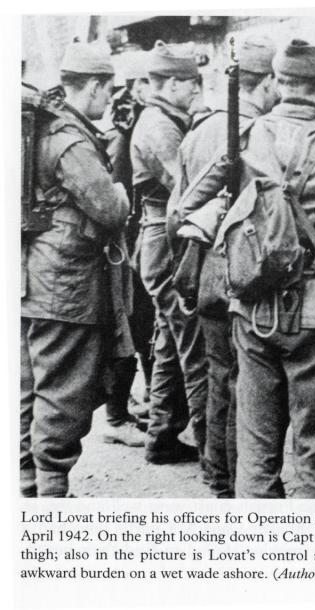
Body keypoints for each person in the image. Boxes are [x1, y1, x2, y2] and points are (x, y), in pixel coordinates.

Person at [179, 39, 315, 498]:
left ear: (280, 83)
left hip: (252, 311)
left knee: (256, 450)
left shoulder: (248, 137)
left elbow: (187, 207)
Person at [21, 42, 130, 497]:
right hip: (66, 283)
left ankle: (27, 481)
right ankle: (51, 492)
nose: (111, 100)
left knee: (28, 384)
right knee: (63, 390)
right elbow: (109, 209)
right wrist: (121, 192)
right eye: (108, 90)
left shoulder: (46, 129)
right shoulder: (69, 139)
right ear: (94, 86)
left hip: (32, 277)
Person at [172, 35, 278, 497]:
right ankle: (236, 482)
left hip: (201, 269)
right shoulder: (252, 132)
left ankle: (216, 474)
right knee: (244, 384)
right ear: (268, 82)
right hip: (235, 269)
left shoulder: (197, 130)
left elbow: (179, 202)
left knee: (219, 375)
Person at [130, 40, 207, 465]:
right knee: (193, 343)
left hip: (162, 234)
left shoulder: (165, 118)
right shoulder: (159, 125)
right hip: (168, 236)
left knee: (168, 341)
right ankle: (214, 449)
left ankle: (161, 436)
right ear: (174, 83)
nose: (196, 90)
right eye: (192, 83)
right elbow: (189, 188)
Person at [101, 50, 155, 448]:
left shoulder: (141, 124)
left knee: (142, 326)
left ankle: (134, 404)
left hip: (138, 245)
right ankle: (116, 417)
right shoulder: (127, 133)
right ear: (138, 88)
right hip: (129, 248)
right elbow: (121, 199)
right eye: (151, 83)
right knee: (132, 327)